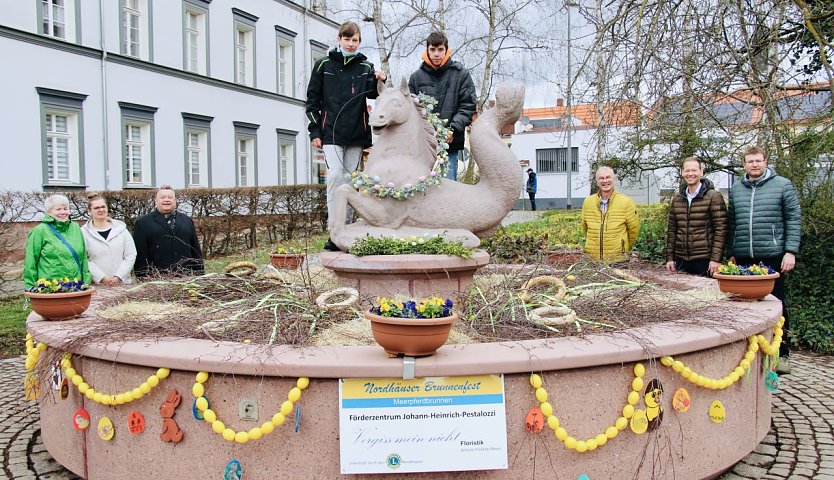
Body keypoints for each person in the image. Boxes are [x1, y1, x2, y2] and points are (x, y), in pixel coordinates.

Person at [305, 21, 386, 251]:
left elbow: (373, 94)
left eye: (355, 40)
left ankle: (346, 230)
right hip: (330, 133)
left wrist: (380, 78)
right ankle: (334, 230)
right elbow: (312, 101)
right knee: (335, 178)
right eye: (347, 39)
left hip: (356, 133)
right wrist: (315, 131)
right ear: (339, 39)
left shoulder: (365, 67)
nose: (351, 44)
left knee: (350, 181)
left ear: (359, 42)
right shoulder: (323, 65)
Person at [727, 146, 801, 374]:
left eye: (758, 161)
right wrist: (731, 251)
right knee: (743, 307)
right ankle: (749, 352)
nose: (754, 165)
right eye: (750, 161)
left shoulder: (782, 185)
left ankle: (782, 354)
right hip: (743, 256)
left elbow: (794, 218)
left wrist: (790, 250)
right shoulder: (737, 188)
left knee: (776, 305)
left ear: (765, 161)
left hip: (772, 254)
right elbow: (732, 222)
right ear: (744, 164)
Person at [408, 31, 477, 181]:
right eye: (432, 49)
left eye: (440, 50)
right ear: (427, 50)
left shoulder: (461, 74)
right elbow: (411, 110)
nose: (436, 54)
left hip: (449, 145)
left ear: (446, 50)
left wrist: (453, 129)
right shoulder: (416, 78)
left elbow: (468, 105)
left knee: (448, 189)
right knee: (422, 189)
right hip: (423, 147)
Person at [665, 157, 728, 276]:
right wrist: (670, 258)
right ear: (682, 173)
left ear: (701, 172)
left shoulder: (713, 197)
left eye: (694, 170)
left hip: (705, 259)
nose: (690, 174)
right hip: (681, 259)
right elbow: (672, 231)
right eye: (687, 171)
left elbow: (721, 230)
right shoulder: (677, 199)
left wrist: (715, 259)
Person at [133, 185, 204, 279]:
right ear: (156, 201)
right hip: (156, 279)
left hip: (185, 278)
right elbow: (140, 255)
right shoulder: (143, 223)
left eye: (170, 197)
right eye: (162, 197)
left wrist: (200, 274)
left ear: (175, 201)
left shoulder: (187, 220)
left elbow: (195, 250)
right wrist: (142, 277)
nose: (166, 200)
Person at [23, 194, 92, 289]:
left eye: (65, 208)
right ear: (49, 212)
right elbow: (31, 262)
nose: (63, 212)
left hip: (76, 286)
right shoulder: (40, 231)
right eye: (58, 209)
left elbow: (83, 257)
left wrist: (86, 282)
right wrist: (31, 289)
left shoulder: (75, 228)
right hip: (50, 288)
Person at [581, 166, 640, 261]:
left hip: (617, 259)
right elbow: (585, 228)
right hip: (593, 259)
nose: (605, 181)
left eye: (608, 177)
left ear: (614, 179)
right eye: (601, 178)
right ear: (597, 181)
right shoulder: (588, 202)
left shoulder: (626, 201)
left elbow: (633, 230)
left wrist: (623, 248)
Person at [81, 194, 137, 285]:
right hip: (97, 285)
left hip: (123, 284)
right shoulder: (83, 233)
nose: (101, 210)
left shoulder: (121, 229)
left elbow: (131, 254)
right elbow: (84, 259)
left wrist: (118, 276)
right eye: (96, 208)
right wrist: (101, 278)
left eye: (103, 207)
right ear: (89, 211)